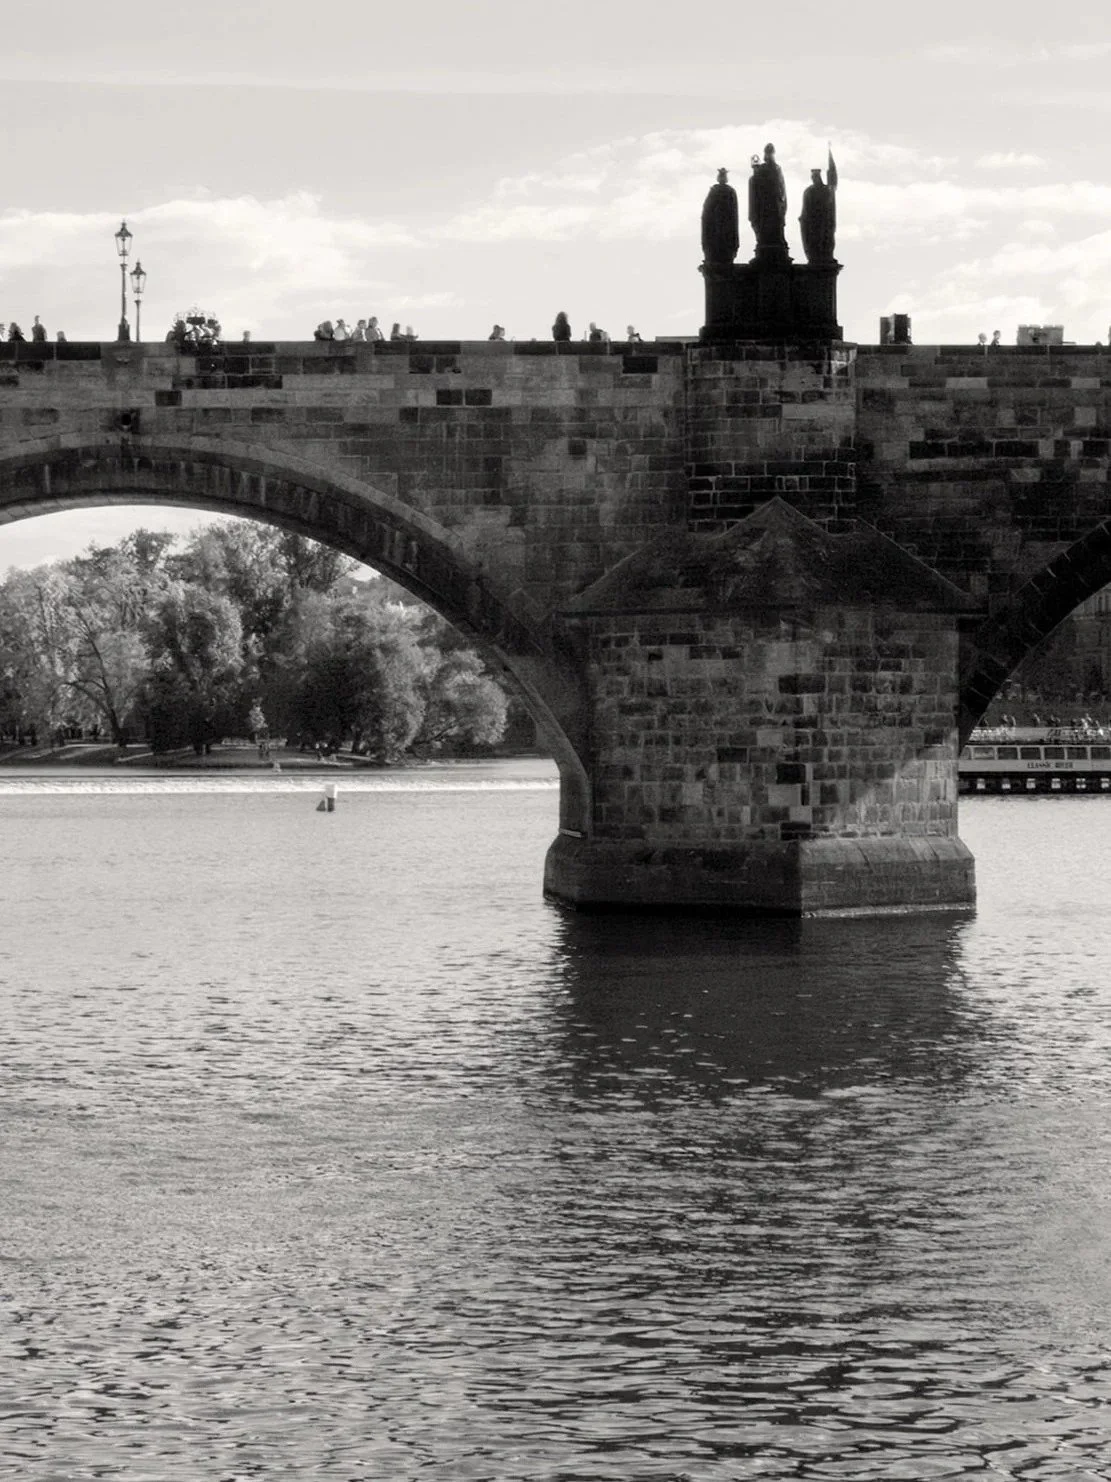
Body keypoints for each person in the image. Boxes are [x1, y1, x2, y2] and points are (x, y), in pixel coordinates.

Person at [748, 142, 788, 252]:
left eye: (770, 153)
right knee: (765, 231)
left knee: (776, 230)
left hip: (775, 205)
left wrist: (782, 204)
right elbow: (756, 187)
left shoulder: (777, 168)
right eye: (767, 153)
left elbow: (782, 187)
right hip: (765, 206)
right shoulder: (762, 169)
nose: (769, 155)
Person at [798, 157, 837, 264]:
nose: (814, 179)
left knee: (823, 240)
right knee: (813, 243)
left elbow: (828, 207)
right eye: (813, 177)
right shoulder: (808, 191)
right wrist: (802, 218)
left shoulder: (826, 190)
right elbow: (805, 208)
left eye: (816, 176)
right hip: (811, 223)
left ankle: (825, 255)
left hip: (822, 222)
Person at [701, 166, 740, 265]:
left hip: (725, 228)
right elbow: (707, 212)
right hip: (717, 229)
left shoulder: (728, 192)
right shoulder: (718, 192)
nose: (722, 177)